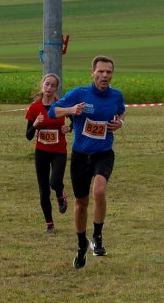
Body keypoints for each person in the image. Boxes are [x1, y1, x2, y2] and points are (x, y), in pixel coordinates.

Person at [49, 55, 126, 268]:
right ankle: (81, 243)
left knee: (99, 191)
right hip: (81, 156)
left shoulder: (116, 95)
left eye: (108, 72)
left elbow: (121, 111)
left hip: (104, 153)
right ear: (93, 73)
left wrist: (120, 123)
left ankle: (97, 236)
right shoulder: (79, 94)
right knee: (81, 203)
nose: (105, 75)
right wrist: (71, 110)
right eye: (100, 71)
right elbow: (53, 111)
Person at [24, 72, 70, 234]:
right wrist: (35, 124)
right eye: (47, 84)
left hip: (59, 151)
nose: (49, 88)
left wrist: (69, 128)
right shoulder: (34, 108)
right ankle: (49, 224)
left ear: (56, 89)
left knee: (55, 182)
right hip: (41, 152)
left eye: (53, 85)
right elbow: (28, 136)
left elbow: (76, 121)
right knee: (43, 189)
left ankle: (60, 194)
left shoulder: (61, 106)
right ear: (42, 86)